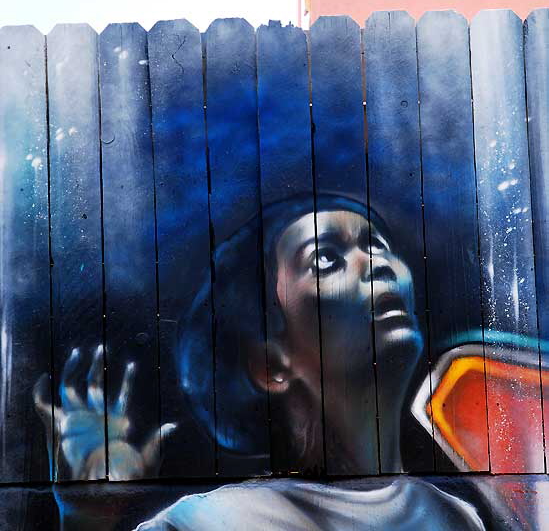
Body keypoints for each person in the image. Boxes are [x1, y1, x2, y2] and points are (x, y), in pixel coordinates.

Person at [35, 195, 485, 530]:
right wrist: (86, 518)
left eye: (378, 244)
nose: (377, 263)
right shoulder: (208, 523)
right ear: (272, 364)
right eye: (326, 258)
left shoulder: (457, 517)